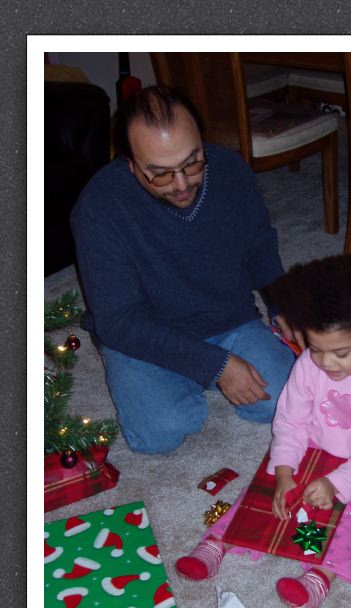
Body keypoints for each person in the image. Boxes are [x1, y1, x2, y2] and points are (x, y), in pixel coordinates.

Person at [175, 248, 351, 608]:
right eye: (316, 349)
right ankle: (218, 540)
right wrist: (284, 470)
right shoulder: (308, 363)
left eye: (341, 353)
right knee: (265, 489)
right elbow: (290, 420)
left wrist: (338, 483)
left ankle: (321, 575)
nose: (326, 362)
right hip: (311, 445)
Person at [70, 85, 296, 454]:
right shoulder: (99, 208)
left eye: (192, 162)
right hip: (145, 334)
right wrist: (218, 366)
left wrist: (284, 302)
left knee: (291, 401)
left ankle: (200, 373)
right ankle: (145, 370)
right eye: (159, 173)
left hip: (228, 318)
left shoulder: (231, 171)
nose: (181, 184)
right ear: (129, 163)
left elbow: (258, 245)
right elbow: (120, 321)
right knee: (159, 434)